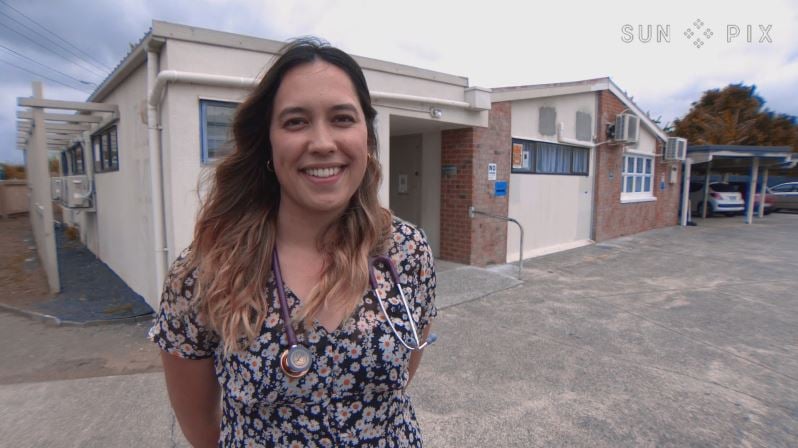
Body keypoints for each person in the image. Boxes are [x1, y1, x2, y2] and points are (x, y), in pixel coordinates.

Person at [149, 37, 437, 448]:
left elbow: (400, 379)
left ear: (367, 138)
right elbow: (202, 430)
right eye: (296, 122)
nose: (322, 143)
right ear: (268, 142)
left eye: (342, 118)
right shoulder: (205, 271)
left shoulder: (409, 252)